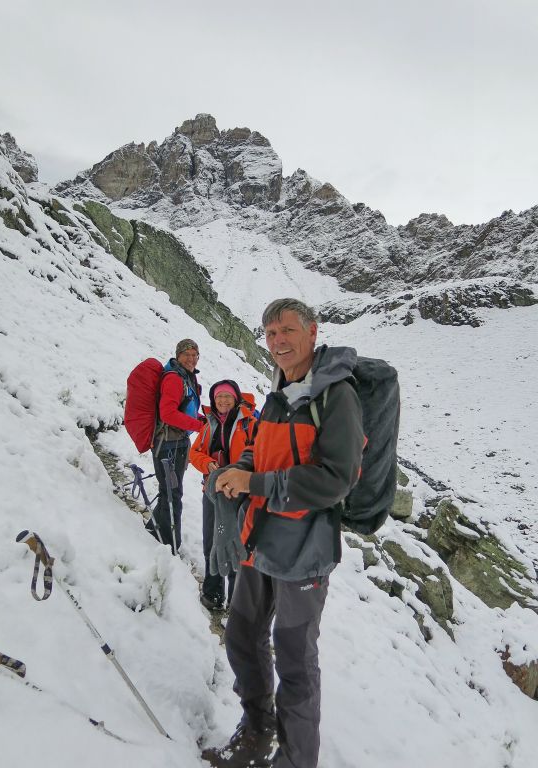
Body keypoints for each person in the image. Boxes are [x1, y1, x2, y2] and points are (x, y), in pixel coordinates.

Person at [202, 299, 365, 768]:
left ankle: (295, 761)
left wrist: (255, 484)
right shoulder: (279, 393)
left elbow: (336, 479)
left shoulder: (338, 396)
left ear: (312, 332)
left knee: (294, 660)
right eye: (270, 334)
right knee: (242, 636)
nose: (278, 342)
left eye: (287, 331)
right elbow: (260, 448)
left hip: (305, 552)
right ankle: (256, 730)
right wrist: (239, 469)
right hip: (262, 540)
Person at [190, 380, 258, 612]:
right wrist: (209, 465)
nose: (223, 401)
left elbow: (258, 456)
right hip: (212, 492)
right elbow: (194, 452)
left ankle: (236, 602)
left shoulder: (250, 423)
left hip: (239, 496)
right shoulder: (209, 424)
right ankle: (212, 594)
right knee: (212, 542)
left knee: (235, 544)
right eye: (219, 397)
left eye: (227, 396)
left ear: (236, 398)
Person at [146, 338, 203, 553]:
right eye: (187, 354)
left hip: (175, 443)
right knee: (172, 494)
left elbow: (183, 408)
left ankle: (152, 531)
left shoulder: (185, 378)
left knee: (168, 491)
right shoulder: (174, 379)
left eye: (194, 354)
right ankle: (170, 545)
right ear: (178, 356)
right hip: (167, 446)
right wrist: (198, 426)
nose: (191, 358)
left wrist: (200, 419)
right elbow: (168, 414)